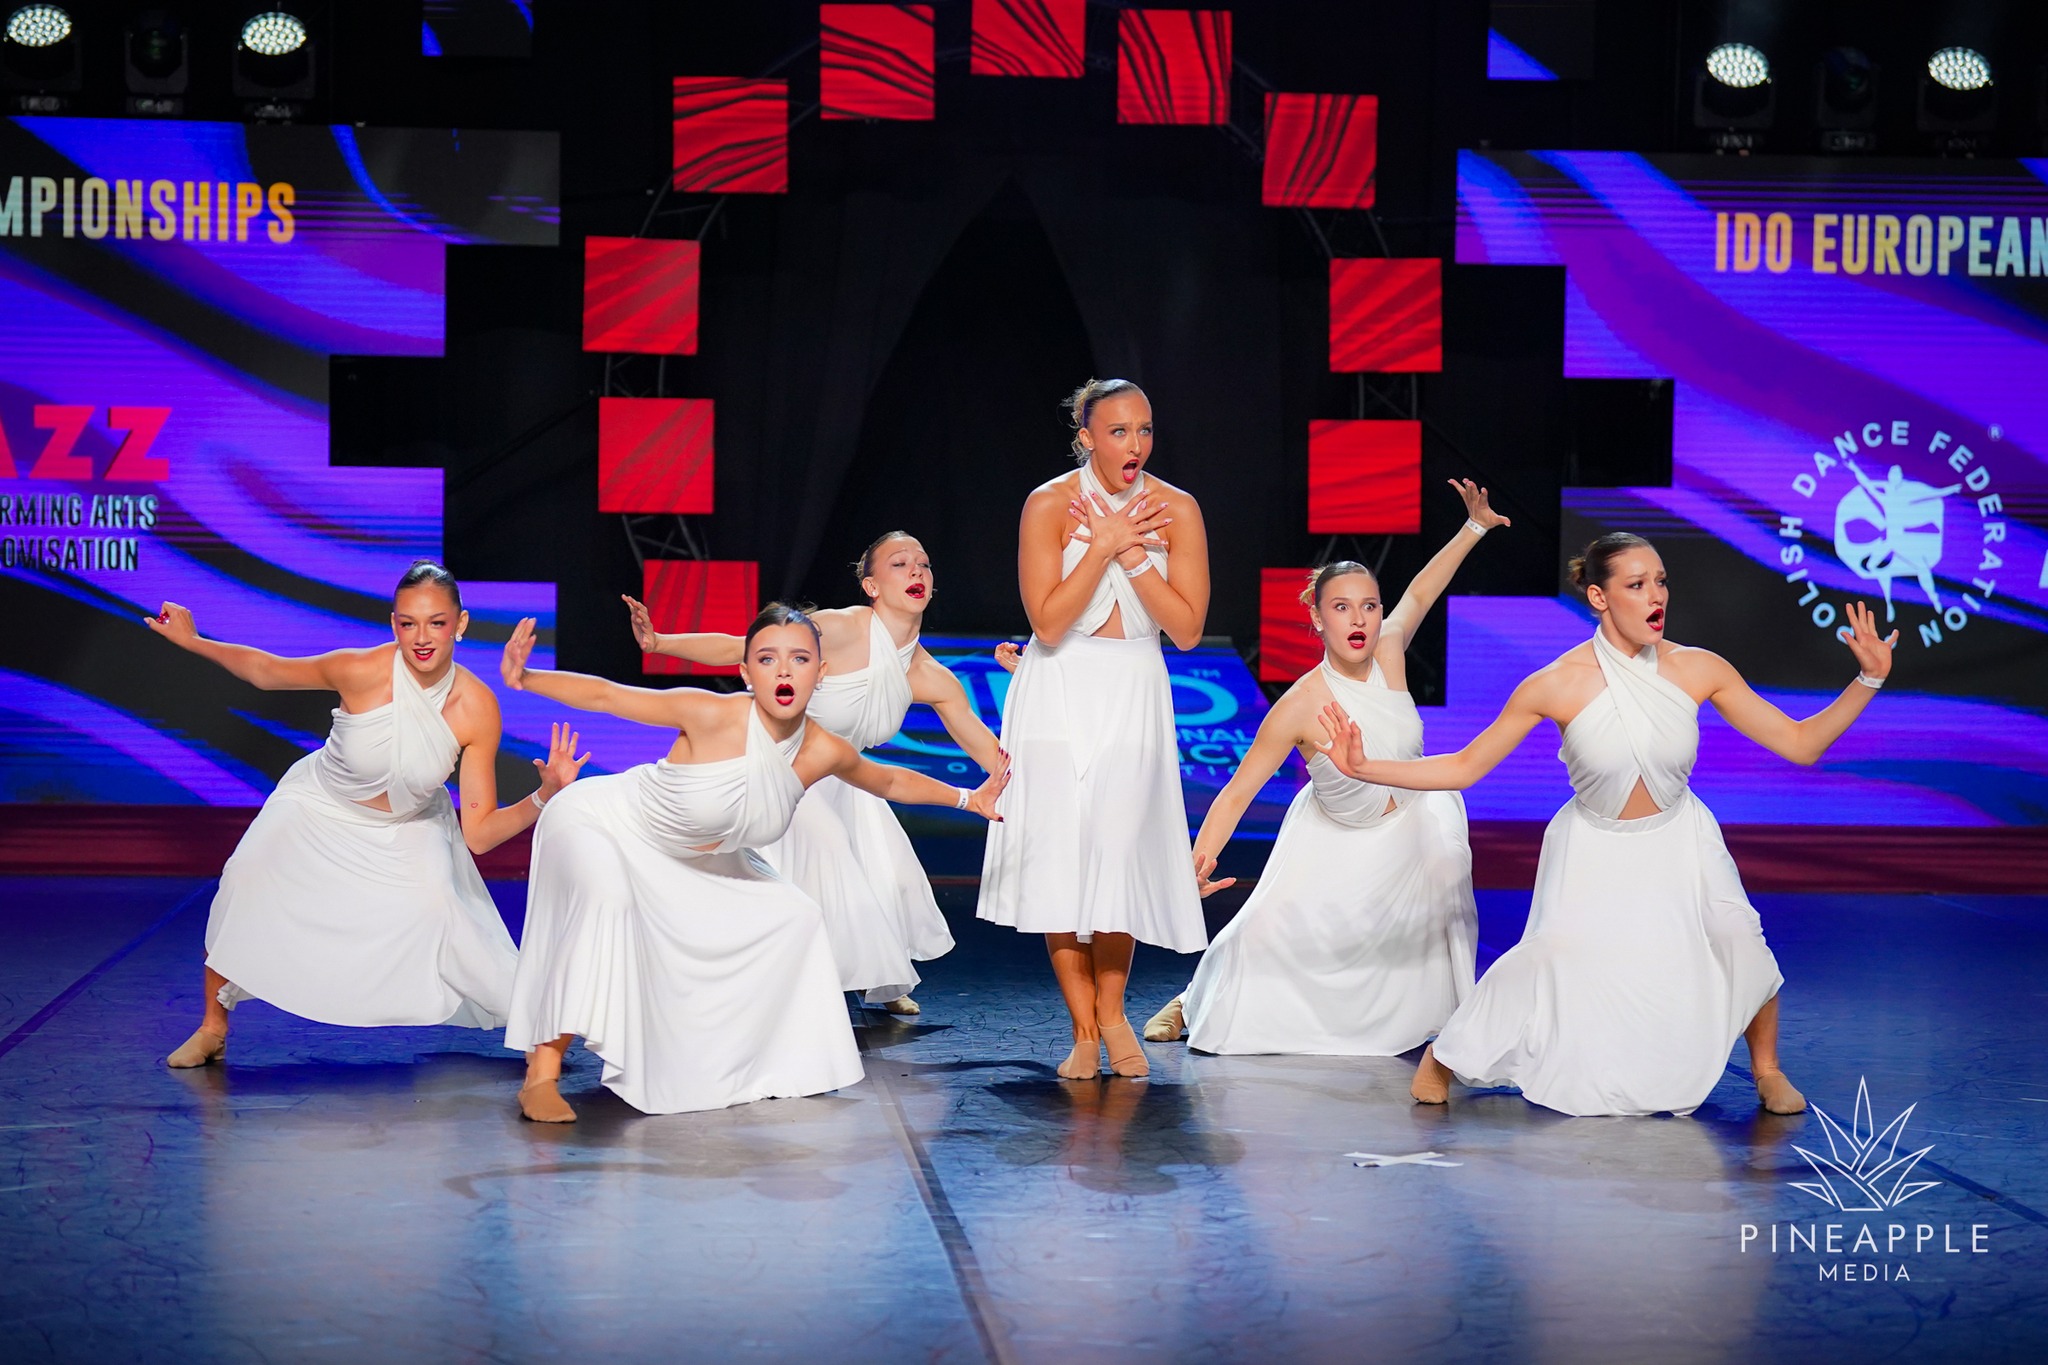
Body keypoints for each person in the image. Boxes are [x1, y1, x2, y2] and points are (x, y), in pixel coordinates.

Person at [1316, 533, 1896, 1117]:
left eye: (1660, 582)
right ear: (1599, 597)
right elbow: (1465, 767)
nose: (1656, 596)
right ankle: (1444, 1057)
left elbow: (1800, 743)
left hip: (1681, 838)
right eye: (1636, 585)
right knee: (1550, 956)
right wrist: (1365, 768)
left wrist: (1867, 680)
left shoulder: (1699, 668)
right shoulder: (1556, 683)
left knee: (1737, 936)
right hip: (1592, 845)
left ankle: (1767, 1069)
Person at [499, 604, 1007, 1122]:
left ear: (821, 672)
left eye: (799, 659)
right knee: (607, 903)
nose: (784, 670)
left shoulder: (822, 750)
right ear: (746, 672)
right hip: (606, 826)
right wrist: (526, 678)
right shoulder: (710, 713)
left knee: (796, 917)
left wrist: (971, 799)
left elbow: (890, 780)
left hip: (700, 860)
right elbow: (609, 696)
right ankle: (542, 1073)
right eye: (767, 659)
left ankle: (752, 1061)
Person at [149, 561, 587, 1069]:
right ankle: (213, 1027)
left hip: (409, 825)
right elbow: (267, 672)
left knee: (443, 912)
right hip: (319, 804)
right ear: (393, 622)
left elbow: (481, 835)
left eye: (437, 623)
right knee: (245, 877)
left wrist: (543, 795)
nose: (421, 638)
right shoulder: (359, 669)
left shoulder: (476, 707)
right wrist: (194, 642)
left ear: (460, 624)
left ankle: (541, 1031)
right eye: (408, 623)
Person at [1140, 480, 1508, 1054]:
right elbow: (1236, 793)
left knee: (1444, 868)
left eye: (1369, 606)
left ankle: (1450, 1018)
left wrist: (1474, 527)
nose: (1359, 619)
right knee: (1259, 940)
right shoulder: (1298, 706)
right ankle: (1193, 998)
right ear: (1316, 618)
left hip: (1414, 822)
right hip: (1335, 835)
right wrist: (1197, 864)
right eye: (1341, 607)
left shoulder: (1389, 650)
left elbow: (1422, 590)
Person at [622, 532, 1003, 1015]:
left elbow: (989, 751)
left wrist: (1030, 782)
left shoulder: (932, 676)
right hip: (787, 769)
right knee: (827, 856)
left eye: (923, 564)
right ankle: (792, 986)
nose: (916, 572)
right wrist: (660, 643)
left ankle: (879, 976)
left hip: (849, 778)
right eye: (899, 563)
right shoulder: (837, 629)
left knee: (890, 880)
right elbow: (745, 648)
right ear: (871, 586)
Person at [978, 378, 1211, 1081]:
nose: (1135, 444)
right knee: (1061, 862)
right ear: (1086, 437)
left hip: (1134, 686)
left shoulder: (1177, 508)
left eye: (1145, 429)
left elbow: (1187, 629)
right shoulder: (1049, 503)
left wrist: (1131, 554)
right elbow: (1048, 622)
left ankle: (1113, 1013)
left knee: (1117, 853)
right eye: (1118, 431)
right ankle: (1083, 1030)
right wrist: (1101, 543)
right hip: (1057, 686)